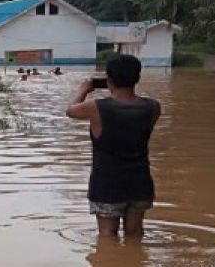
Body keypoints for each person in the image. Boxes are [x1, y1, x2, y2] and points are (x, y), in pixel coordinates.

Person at [65, 54, 161, 238]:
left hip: (107, 185)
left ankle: (111, 265)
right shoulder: (153, 107)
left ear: (109, 79)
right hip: (140, 182)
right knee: (135, 233)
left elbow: (70, 110)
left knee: (107, 235)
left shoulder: (95, 107)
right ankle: (135, 265)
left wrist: (83, 89)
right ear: (137, 78)